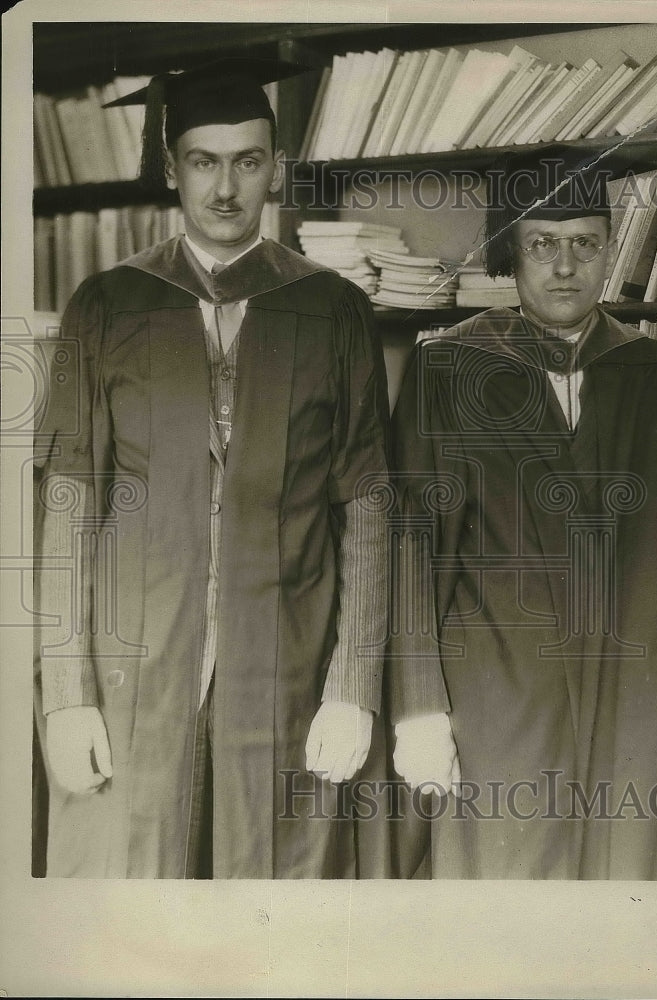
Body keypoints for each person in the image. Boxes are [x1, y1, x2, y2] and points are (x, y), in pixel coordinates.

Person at [34, 58, 391, 878]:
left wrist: (353, 683)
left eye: (248, 160)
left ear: (277, 166)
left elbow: (368, 505)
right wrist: (65, 694)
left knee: (272, 905)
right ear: (171, 169)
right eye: (203, 160)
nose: (226, 187)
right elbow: (68, 499)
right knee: (127, 905)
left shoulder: (331, 308)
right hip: (133, 673)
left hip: (285, 668)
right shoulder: (107, 304)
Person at [388, 145, 657, 879]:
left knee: (629, 907)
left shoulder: (655, 373)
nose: (566, 266)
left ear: (610, 251)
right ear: (510, 257)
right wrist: (418, 706)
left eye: (586, 243)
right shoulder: (449, 367)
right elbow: (411, 546)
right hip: (495, 694)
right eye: (543, 245)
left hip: (636, 691)